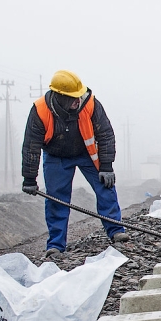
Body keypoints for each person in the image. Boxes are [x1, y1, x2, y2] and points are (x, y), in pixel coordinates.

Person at [21, 70, 128, 258]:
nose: (78, 100)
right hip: (56, 157)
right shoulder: (40, 111)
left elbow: (106, 135)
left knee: (106, 186)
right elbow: (31, 146)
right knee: (56, 198)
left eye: (79, 96)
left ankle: (116, 231)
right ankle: (56, 245)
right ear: (60, 97)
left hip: (87, 154)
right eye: (73, 98)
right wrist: (29, 178)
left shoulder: (91, 104)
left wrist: (106, 167)